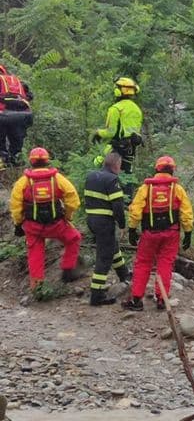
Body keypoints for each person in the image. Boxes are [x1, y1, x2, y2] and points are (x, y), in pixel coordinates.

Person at [122, 156, 193, 311]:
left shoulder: (145, 189)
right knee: (165, 264)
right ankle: (162, 300)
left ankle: (136, 300)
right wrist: (188, 233)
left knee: (143, 263)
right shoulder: (177, 189)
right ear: (172, 170)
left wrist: (132, 229)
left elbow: (135, 211)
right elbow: (186, 213)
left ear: (156, 169)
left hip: (149, 233)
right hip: (171, 233)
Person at [9, 147, 82, 290]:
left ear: (31, 162)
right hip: (57, 225)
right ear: (47, 161)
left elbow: (15, 206)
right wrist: (68, 216)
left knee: (35, 254)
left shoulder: (23, 182)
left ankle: (37, 288)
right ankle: (68, 272)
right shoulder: (57, 179)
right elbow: (73, 199)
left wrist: (18, 224)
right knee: (74, 238)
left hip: (33, 227)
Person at [84, 152, 130, 306]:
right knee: (104, 257)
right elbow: (117, 205)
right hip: (104, 222)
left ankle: (124, 274)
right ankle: (97, 295)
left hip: (91, 220)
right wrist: (122, 225)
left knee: (111, 246)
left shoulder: (91, 176)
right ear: (116, 165)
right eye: (120, 165)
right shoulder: (112, 180)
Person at [92, 77, 143, 197]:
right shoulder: (136, 109)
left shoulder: (115, 109)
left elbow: (110, 132)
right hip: (131, 149)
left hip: (116, 148)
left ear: (118, 91)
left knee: (98, 165)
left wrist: (98, 133)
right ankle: (127, 201)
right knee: (127, 175)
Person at [0, 65, 34, 167]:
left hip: (3, 115)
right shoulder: (15, 80)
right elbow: (30, 96)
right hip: (25, 115)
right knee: (16, 144)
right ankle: (15, 160)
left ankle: (3, 159)